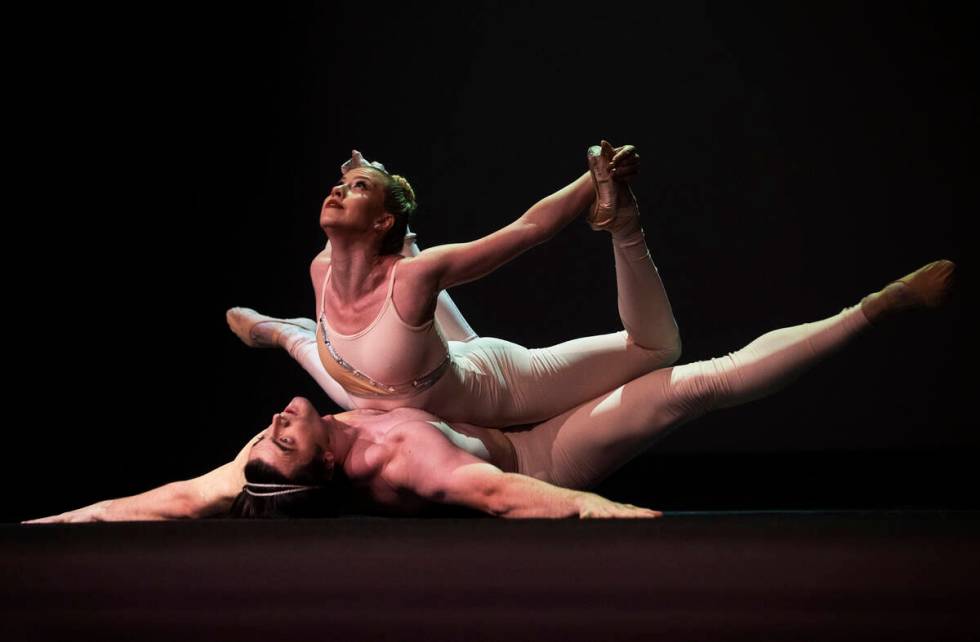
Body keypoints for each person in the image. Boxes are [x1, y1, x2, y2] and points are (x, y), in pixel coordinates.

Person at [27, 260, 954, 522]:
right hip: (539, 447)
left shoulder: (278, 460)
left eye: (266, 440)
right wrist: (625, 519)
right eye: (282, 441)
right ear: (320, 469)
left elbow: (174, 500)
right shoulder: (406, 458)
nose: (269, 427)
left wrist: (56, 528)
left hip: (468, 393)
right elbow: (515, 493)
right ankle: (869, 312)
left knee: (382, 343)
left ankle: (294, 320)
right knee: (687, 384)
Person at [229, 143, 686, 428]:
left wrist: (594, 179)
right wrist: (371, 177)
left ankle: (626, 228)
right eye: (339, 185)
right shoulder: (320, 268)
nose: (336, 191)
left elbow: (527, 229)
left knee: (656, 351)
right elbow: (374, 237)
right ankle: (284, 330)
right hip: (389, 376)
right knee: (282, 332)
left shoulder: (417, 274)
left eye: (355, 188)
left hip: (489, 378)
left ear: (383, 220)